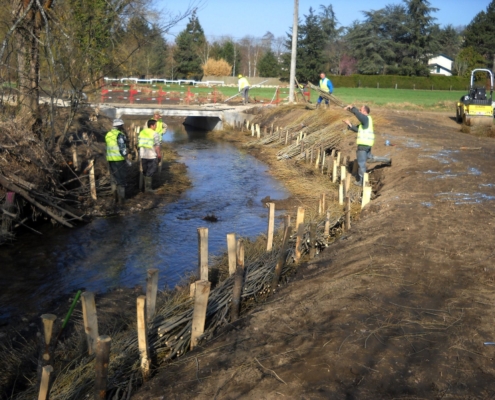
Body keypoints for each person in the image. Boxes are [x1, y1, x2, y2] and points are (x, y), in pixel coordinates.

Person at [342, 105, 391, 186]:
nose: (359, 111)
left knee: (361, 163)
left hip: (363, 145)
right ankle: (387, 160)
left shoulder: (365, 118)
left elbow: (358, 115)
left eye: (360, 110)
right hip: (367, 144)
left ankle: (361, 181)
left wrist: (352, 108)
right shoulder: (365, 122)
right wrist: (349, 124)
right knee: (369, 158)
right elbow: (357, 129)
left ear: (365, 112)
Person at [105, 118, 131, 204]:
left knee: (113, 178)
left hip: (110, 159)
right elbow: (122, 148)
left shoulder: (108, 134)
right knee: (121, 179)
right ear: (120, 126)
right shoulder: (120, 135)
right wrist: (126, 158)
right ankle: (121, 200)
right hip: (119, 160)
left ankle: (114, 198)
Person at [138, 119, 161, 193]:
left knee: (145, 171)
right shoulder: (155, 133)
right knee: (151, 171)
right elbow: (157, 146)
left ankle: (144, 187)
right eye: (155, 125)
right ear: (152, 125)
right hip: (151, 155)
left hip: (143, 155)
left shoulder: (141, 132)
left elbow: (138, 143)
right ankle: (148, 189)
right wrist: (159, 155)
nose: (156, 127)